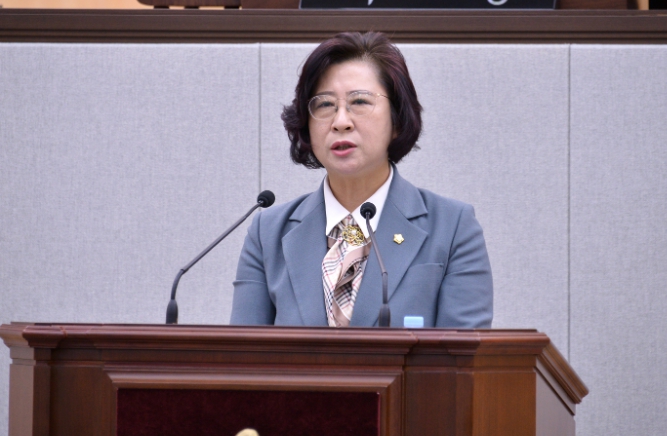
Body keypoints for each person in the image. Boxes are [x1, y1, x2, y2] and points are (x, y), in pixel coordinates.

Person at [230, 32, 492, 328]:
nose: (341, 122)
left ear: (397, 119)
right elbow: (244, 352)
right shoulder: (268, 234)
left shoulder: (452, 227)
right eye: (324, 105)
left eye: (359, 101)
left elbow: (461, 354)